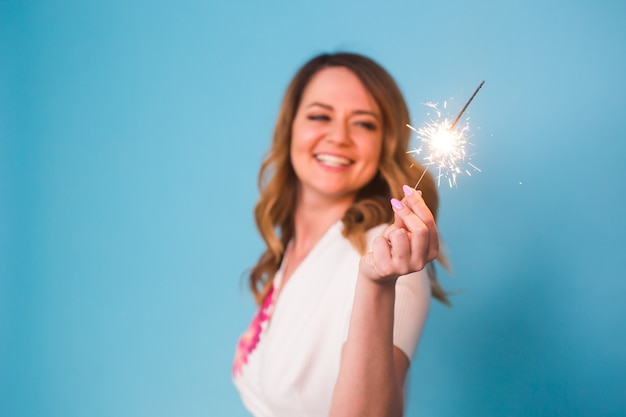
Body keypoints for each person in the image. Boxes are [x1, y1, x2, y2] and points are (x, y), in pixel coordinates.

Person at [232, 52, 449, 417]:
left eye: (364, 124)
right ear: (289, 129)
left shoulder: (390, 263)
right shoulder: (295, 249)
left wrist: (377, 284)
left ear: (385, 142)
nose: (339, 137)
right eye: (319, 116)